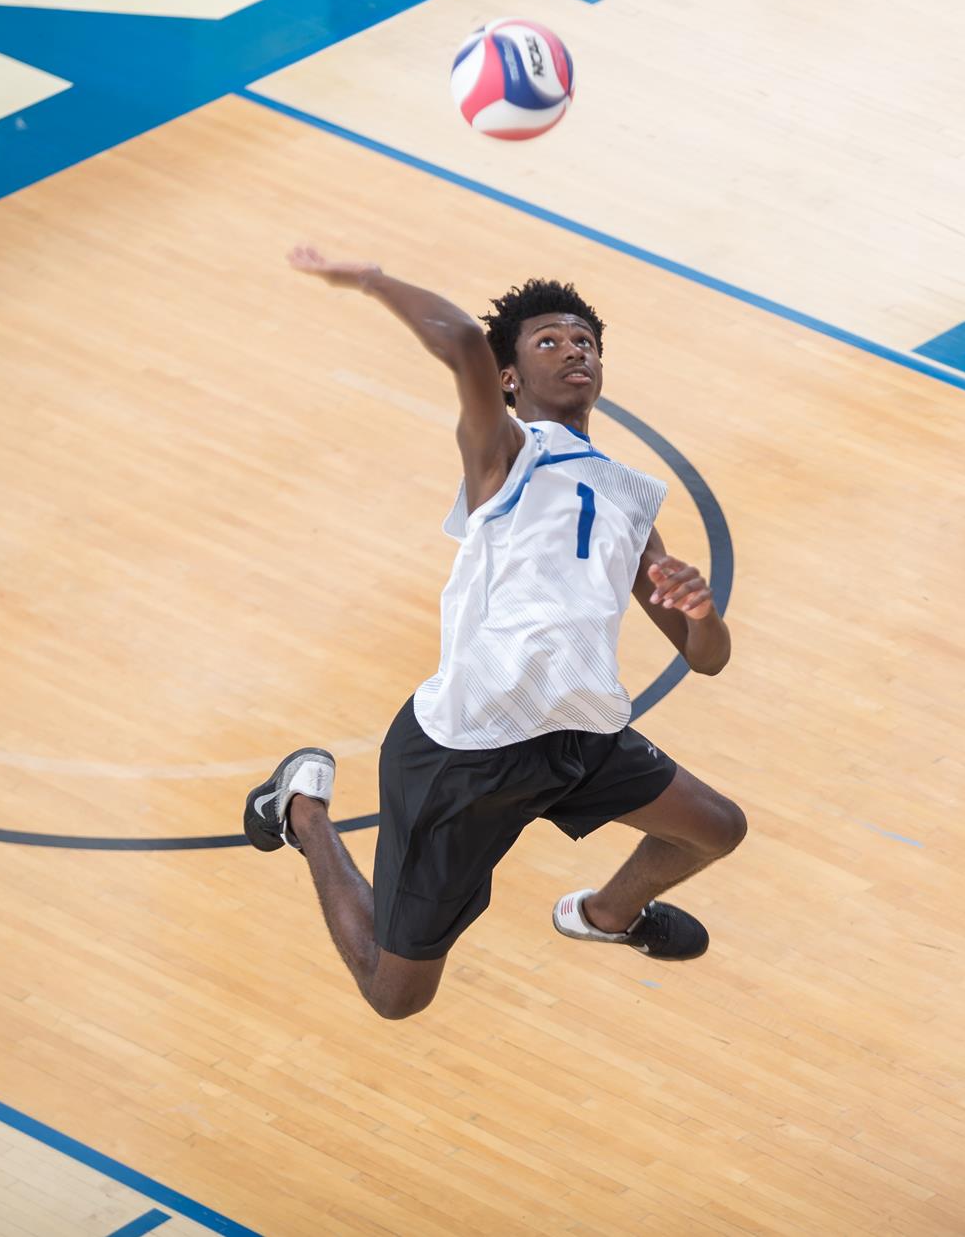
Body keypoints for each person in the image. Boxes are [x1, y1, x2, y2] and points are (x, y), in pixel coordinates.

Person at [244, 247, 747, 1020]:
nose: (575, 348)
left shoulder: (628, 496)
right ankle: (303, 810)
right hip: (469, 751)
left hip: (581, 733)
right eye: (549, 339)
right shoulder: (504, 454)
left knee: (715, 829)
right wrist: (374, 280)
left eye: (585, 340)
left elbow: (706, 661)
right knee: (396, 992)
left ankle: (605, 915)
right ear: (508, 377)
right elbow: (461, 343)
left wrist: (702, 613)